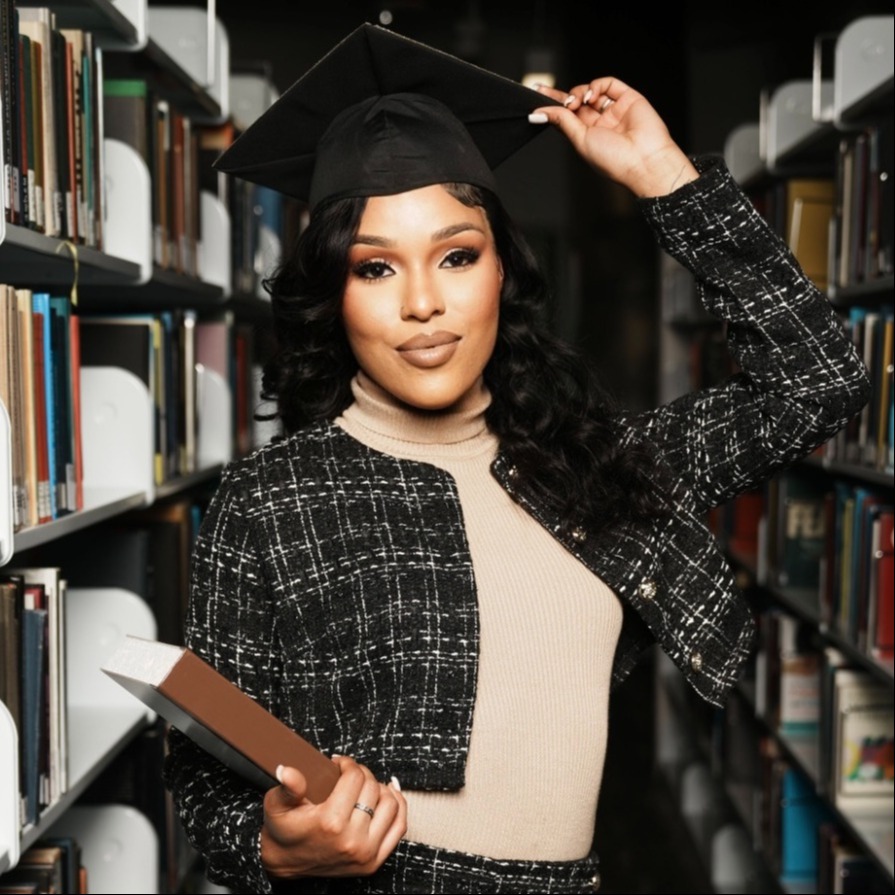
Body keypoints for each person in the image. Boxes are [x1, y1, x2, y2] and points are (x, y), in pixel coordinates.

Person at [162, 23, 870, 895]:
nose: (424, 303)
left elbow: (820, 380)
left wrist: (665, 178)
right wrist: (274, 849)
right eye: (374, 268)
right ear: (330, 295)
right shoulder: (271, 496)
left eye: (456, 255)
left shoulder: (602, 464)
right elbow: (202, 771)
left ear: (502, 267)